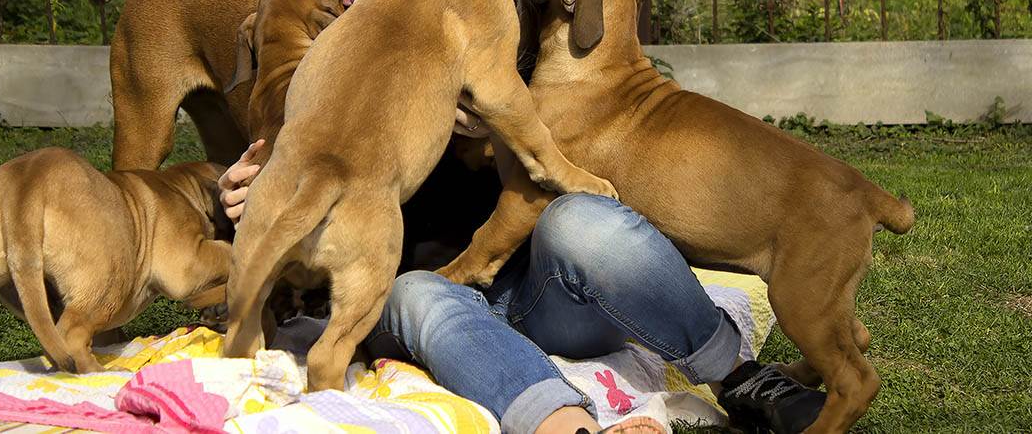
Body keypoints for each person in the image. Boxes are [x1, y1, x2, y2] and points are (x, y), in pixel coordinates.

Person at [217, 117, 825, 434]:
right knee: (419, 291)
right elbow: (276, 205)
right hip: (412, 299)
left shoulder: (511, 50)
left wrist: (499, 120)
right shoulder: (338, 79)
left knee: (581, 219)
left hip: (537, 293)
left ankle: (742, 379)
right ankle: (570, 427)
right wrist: (249, 203)